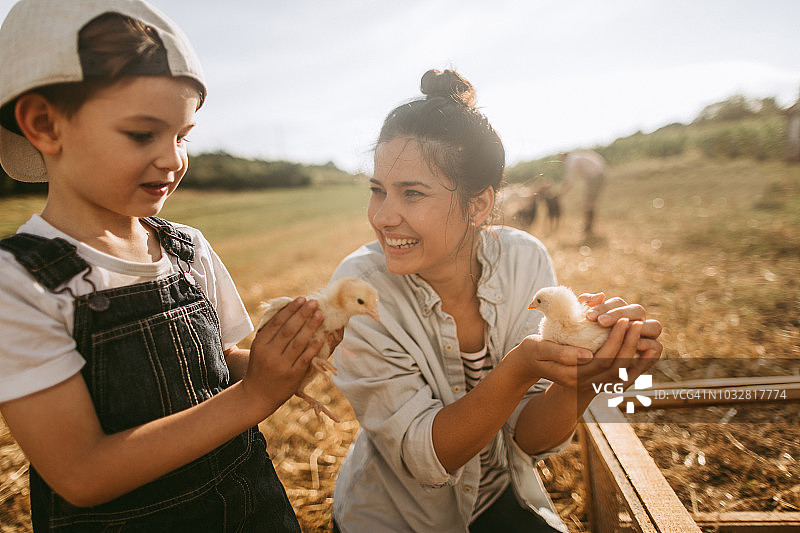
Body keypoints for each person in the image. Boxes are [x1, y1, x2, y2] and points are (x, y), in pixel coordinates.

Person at [0, 1, 328, 531]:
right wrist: (256, 395)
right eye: (142, 134)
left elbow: (218, 364)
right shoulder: (19, 282)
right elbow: (81, 473)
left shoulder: (186, 248)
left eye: (183, 136)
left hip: (250, 509)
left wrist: (292, 361)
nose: (174, 159)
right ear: (44, 125)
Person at [329, 69, 663, 533]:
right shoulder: (359, 291)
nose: (383, 217)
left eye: (411, 193)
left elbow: (528, 437)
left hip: (501, 501)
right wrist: (521, 367)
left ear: (478, 205)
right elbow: (423, 457)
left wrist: (582, 379)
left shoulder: (525, 260)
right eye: (378, 190)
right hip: (397, 518)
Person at [558, 150, 607, 236]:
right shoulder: (577, 156)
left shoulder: (571, 160)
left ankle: (588, 228)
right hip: (599, 173)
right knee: (590, 202)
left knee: (589, 203)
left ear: (564, 156)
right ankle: (588, 226)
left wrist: (561, 193)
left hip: (595, 176)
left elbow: (570, 180)